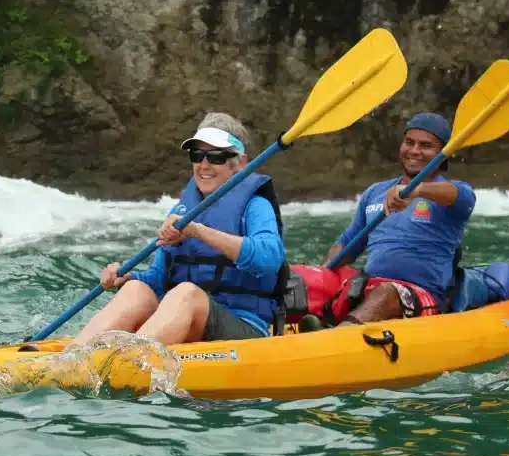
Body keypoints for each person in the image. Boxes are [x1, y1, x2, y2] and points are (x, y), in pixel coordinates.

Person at [69, 112, 287, 347]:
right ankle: (71, 359)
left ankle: (131, 365)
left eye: (215, 157)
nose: (204, 165)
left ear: (240, 163)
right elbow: (158, 278)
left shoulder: (255, 206)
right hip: (185, 319)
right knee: (137, 289)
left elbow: (269, 258)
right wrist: (125, 276)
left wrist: (198, 231)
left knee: (187, 293)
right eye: (197, 155)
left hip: (243, 328)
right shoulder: (181, 210)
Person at [296, 112, 476, 331]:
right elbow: (347, 243)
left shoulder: (452, 196)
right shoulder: (375, 192)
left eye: (426, 145)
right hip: (370, 286)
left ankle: (337, 336)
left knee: (387, 292)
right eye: (409, 142)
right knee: (301, 276)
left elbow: (461, 195)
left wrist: (417, 190)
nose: (415, 151)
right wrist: (321, 274)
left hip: (420, 295)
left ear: (443, 154)